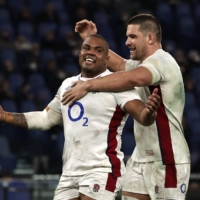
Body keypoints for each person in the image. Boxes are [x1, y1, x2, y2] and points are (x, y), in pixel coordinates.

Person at [0, 34, 160, 200]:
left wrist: (149, 112)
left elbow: (142, 115)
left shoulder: (118, 84)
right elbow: (45, 118)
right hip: (70, 172)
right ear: (80, 53)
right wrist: (5, 117)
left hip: (102, 169)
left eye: (98, 51)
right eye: (86, 48)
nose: (90, 53)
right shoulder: (67, 84)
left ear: (106, 59)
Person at [61, 14, 191, 200]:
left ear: (150, 38)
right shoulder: (141, 63)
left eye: (132, 37)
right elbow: (121, 65)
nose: (127, 42)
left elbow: (134, 78)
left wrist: (88, 84)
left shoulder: (162, 61)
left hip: (167, 159)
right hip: (141, 157)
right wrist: (90, 39)